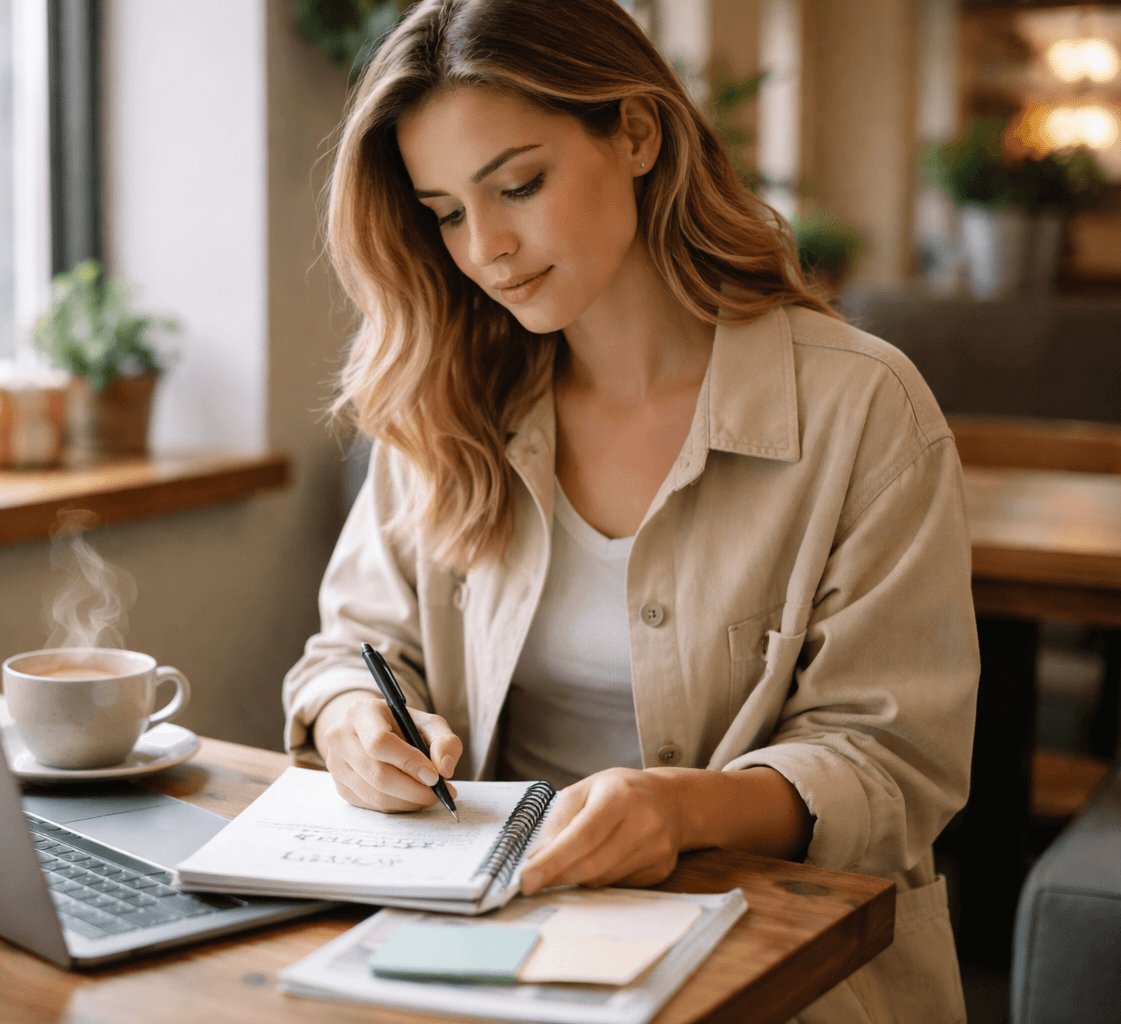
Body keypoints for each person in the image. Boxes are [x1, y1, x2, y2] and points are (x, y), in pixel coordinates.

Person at [283, 1, 977, 1021]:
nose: (487, 248)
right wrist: (354, 718)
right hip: (486, 958)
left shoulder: (863, 407)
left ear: (638, 133)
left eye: (518, 185)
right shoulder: (444, 397)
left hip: (781, 973)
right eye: (446, 213)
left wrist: (683, 810)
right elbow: (352, 650)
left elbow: (893, 764)